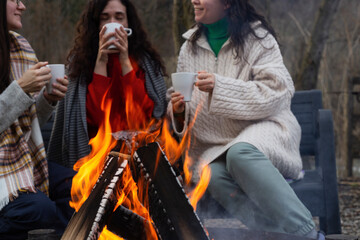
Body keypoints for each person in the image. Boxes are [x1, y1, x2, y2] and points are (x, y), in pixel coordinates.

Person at [168, 0, 324, 239]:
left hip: (265, 129)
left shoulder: (258, 38)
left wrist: (221, 87)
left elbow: (278, 91)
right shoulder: (189, 48)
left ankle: (308, 234)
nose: (194, 0)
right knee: (212, 175)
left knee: (240, 153)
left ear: (228, 3)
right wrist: (178, 111)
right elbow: (187, 116)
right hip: (215, 146)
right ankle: (281, 235)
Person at [47, 0, 167, 169]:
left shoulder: (145, 62)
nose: (113, 24)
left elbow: (145, 116)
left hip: (138, 156)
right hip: (93, 159)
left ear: (128, 24)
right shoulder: (80, 66)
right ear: (97, 25)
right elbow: (94, 121)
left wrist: (125, 61)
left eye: (119, 17)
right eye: (105, 18)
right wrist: (101, 61)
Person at [0, 0, 73, 239]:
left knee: (80, 185)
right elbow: (16, 100)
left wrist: (48, 99)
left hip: (20, 158)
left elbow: (29, 125)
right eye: (15, 0)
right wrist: (21, 89)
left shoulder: (20, 47)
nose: (23, 6)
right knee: (37, 209)